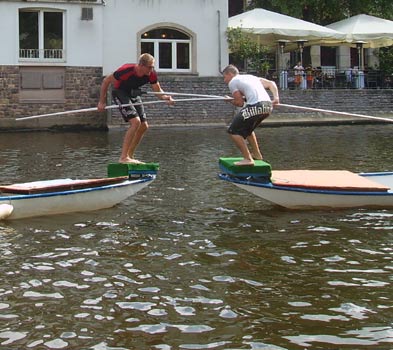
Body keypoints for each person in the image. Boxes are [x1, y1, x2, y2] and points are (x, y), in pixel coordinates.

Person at [98, 53, 174, 164]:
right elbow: (106, 81)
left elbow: (158, 90)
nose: (151, 69)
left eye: (153, 67)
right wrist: (102, 101)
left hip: (133, 93)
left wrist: (165, 97)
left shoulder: (151, 74)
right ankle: (123, 157)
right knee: (135, 122)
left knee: (144, 126)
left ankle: (129, 156)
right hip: (120, 92)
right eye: (149, 67)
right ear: (141, 65)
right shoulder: (126, 70)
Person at [222, 64, 279, 166]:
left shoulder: (233, 82)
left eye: (224, 77)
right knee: (248, 130)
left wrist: (229, 100)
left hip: (256, 106)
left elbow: (239, 103)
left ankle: (248, 159)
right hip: (268, 107)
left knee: (232, 131)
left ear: (230, 74)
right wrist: (276, 98)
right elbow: (271, 83)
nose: (224, 80)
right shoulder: (252, 78)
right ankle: (257, 155)